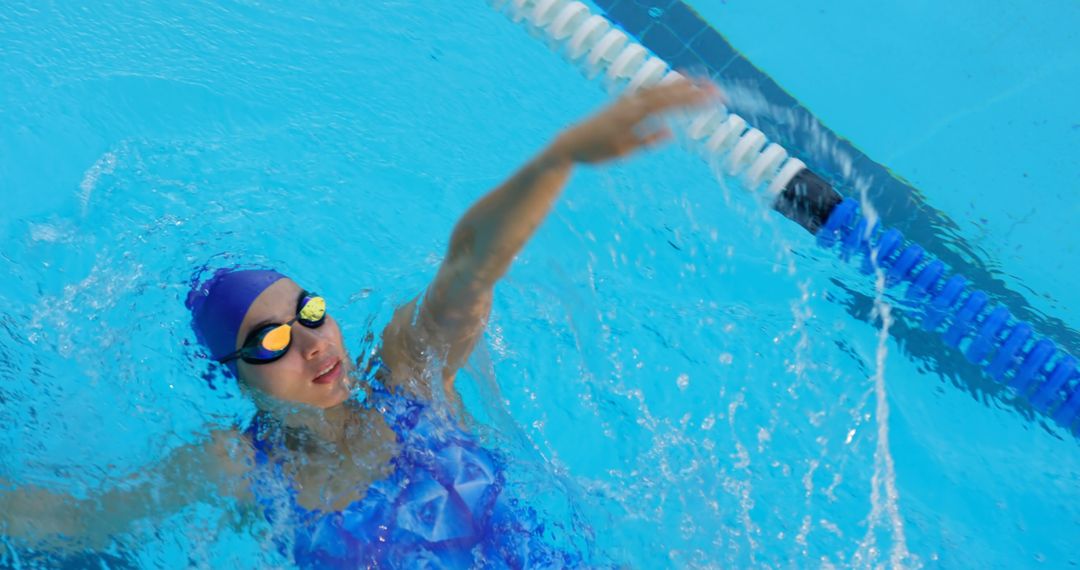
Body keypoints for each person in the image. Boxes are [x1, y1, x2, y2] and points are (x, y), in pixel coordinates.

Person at [1, 79, 720, 567]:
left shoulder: (410, 374)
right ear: (235, 377)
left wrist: (558, 159)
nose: (312, 341)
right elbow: (74, 519)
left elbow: (470, 266)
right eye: (273, 339)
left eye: (310, 312)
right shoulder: (237, 466)